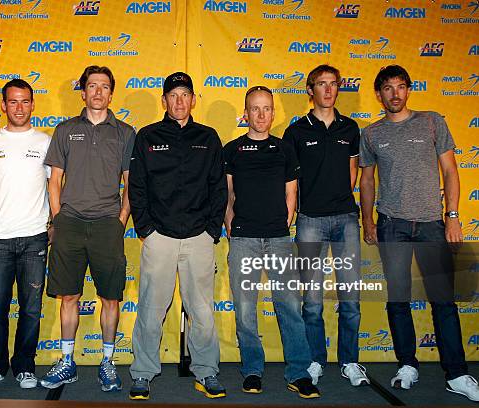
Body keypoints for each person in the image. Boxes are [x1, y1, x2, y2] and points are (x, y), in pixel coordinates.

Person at [359, 64, 479, 402]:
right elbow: (367, 181)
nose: (394, 94)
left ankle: (456, 373)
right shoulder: (371, 133)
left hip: (431, 225)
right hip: (391, 225)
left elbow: (451, 171)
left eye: (400, 87)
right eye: (387, 88)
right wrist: (367, 221)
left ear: (409, 89)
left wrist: (452, 216)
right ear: (379, 93)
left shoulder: (432, 121)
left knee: (443, 302)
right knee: (398, 300)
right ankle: (407, 365)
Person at [127, 72, 227, 400]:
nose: (180, 101)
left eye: (185, 94)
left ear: (194, 99)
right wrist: (146, 230)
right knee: (151, 310)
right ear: (165, 101)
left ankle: (207, 371)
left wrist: (212, 229)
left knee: (202, 311)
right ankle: (142, 373)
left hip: (199, 236)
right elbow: (136, 187)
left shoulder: (209, 138)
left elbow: (218, 187)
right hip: (159, 238)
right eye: (173, 95)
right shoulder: (147, 137)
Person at [40, 66, 135, 392]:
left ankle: (107, 362)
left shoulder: (125, 132)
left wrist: (120, 220)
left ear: (111, 93)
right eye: (91, 86)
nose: (97, 92)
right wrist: (58, 218)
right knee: (69, 295)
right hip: (70, 224)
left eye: (104, 87)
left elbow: (130, 184)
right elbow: (54, 180)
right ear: (82, 92)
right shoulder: (65, 130)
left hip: (108, 224)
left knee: (110, 297)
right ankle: (67, 361)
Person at [224, 86, 320, 399]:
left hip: (278, 238)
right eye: (255, 108)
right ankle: (252, 370)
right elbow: (228, 196)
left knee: (290, 306)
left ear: (273, 113)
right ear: (246, 112)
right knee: (245, 309)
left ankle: (298, 373)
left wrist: (286, 222)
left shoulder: (284, 149)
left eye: (267, 108)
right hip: (243, 239)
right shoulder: (232, 150)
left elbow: (291, 192)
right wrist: (231, 226)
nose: (262, 115)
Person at [283, 65, 369, 387]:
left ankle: (350, 361)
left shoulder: (350, 127)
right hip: (309, 221)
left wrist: (337, 199)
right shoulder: (296, 131)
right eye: (322, 84)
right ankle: (316, 360)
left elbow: (352, 173)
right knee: (313, 301)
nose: (328, 90)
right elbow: (291, 181)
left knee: (351, 300)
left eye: (333, 84)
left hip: (346, 219)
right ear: (310, 90)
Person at [0, 79, 51, 389]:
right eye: (13, 102)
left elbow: (54, 184)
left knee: (31, 307)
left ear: (33, 104)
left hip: (34, 237)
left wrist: (53, 222)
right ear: (3, 105)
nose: (20, 107)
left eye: (25, 101)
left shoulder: (45, 142)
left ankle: (25, 366)